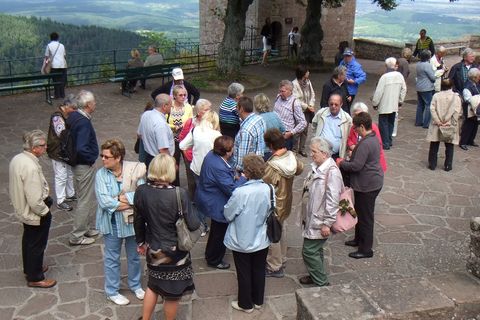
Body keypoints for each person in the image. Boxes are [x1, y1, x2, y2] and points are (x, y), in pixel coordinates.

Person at [134, 154, 200, 320]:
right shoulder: (180, 194)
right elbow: (193, 224)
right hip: (175, 253)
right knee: (172, 293)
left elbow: (138, 220)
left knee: (153, 284)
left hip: (153, 248)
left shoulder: (141, 191)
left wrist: (141, 242)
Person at [95, 139, 146, 305]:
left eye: (106, 156)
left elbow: (141, 196)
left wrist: (117, 200)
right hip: (112, 224)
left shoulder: (134, 170)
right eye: (102, 156)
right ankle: (112, 291)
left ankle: (135, 285)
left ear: (118, 158)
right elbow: (104, 203)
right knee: (112, 259)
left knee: (134, 257)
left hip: (131, 223)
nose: (102, 159)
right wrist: (127, 201)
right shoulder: (100, 175)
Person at [224, 154, 271, 313]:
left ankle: (245, 304)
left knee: (243, 272)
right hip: (262, 237)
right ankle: (258, 300)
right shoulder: (269, 189)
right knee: (258, 269)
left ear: (247, 172)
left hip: (242, 238)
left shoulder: (240, 192)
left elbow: (228, 214)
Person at [9, 130, 56, 288]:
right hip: (34, 212)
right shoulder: (31, 167)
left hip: (24, 210)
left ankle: (30, 268)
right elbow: (35, 199)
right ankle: (35, 277)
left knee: (29, 241)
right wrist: (45, 212)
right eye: (43, 145)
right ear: (34, 148)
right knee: (37, 243)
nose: (45, 148)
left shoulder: (18, 159)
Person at [195, 136, 246, 270]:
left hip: (209, 196)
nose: (234, 149)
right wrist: (243, 179)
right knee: (219, 232)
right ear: (226, 152)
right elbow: (232, 188)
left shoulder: (212, 156)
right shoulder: (219, 166)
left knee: (216, 231)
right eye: (232, 148)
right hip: (215, 202)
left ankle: (210, 254)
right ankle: (214, 259)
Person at [338, 112, 384, 259]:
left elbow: (357, 166)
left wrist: (341, 163)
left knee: (366, 218)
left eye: (356, 128)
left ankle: (366, 249)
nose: (355, 131)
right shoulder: (372, 139)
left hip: (368, 185)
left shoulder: (366, 142)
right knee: (360, 213)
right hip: (370, 182)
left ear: (362, 126)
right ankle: (358, 239)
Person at [299, 137, 342, 286]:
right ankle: (315, 274)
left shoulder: (332, 172)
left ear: (324, 153)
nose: (311, 154)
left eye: (314, 151)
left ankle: (322, 283)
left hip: (320, 220)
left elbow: (332, 200)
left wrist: (327, 223)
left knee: (309, 251)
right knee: (316, 250)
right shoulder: (318, 166)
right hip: (312, 218)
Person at [263, 128, 304, 278]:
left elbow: (264, 183)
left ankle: (274, 265)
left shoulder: (273, 166)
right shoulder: (291, 156)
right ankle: (282, 257)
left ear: (270, 145)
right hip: (286, 201)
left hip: (274, 204)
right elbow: (300, 169)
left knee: (273, 234)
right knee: (283, 229)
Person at [180, 110, 222, 234]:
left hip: (197, 168)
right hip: (211, 171)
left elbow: (182, 145)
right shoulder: (217, 135)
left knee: (201, 195)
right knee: (211, 196)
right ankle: (207, 222)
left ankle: (201, 224)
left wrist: (193, 152)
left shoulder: (195, 130)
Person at [68, 90, 100, 246]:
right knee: (84, 200)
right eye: (93, 102)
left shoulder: (74, 116)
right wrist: (91, 158)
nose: (95, 104)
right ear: (88, 105)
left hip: (77, 164)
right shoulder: (83, 122)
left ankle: (86, 228)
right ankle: (77, 235)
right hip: (83, 165)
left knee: (84, 197)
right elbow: (81, 147)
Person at [47, 94, 77, 211]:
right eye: (73, 108)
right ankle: (60, 200)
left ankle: (70, 194)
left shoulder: (65, 115)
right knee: (61, 176)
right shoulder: (57, 117)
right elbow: (62, 133)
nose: (74, 111)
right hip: (58, 151)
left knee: (69, 173)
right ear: (67, 105)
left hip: (65, 150)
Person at [178, 99, 212, 199]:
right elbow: (182, 137)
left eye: (209, 109)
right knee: (191, 181)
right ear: (198, 111)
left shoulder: (212, 122)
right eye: (206, 110)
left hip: (205, 157)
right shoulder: (190, 122)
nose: (209, 112)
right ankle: (192, 200)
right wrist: (186, 153)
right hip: (190, 157)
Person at [372, 57, 407, 150]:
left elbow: (378, 92)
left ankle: (385, 142)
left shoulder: (384, 77)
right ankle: (389, 140)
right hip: (394, 104)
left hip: (384, 104)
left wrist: (375, 103)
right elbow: (404, 89)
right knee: (391, 123)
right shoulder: (399, 76)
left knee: (383, 124)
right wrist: (400, 101)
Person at [426, 80, 462, 171]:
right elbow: (457, 112)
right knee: (449, 145)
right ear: (452, 86)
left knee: (434, 143)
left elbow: (432, 109)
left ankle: (432, 164)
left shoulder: (436, 96)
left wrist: (438, 121)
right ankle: (448, 165)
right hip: (449, 124)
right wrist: (449, 122)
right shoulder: (456, 97)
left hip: (437, 124)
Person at [137, 93, 174, 168]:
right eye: (170, 104)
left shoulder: (146, 114)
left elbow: (139, 134)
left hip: (148, 157)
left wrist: (150, 144)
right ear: (164, 106)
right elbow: (163, 150)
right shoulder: (161, 124)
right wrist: (172, 164)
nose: (172, 106)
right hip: (160, 162)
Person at [347, 102, 387, 172]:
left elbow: (378, 146)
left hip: (370, 165)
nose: (357, 118)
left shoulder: (372, 127)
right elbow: (349, 139)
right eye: (355, 115)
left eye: (360, 115)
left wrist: (355, 151)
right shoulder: (354, 126)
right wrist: (352, 146)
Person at [311, 93, 352, 159]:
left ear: (341, 104)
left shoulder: (347, 119)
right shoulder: (321, 113)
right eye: (331, 104)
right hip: (320, 152)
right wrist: (316, 137)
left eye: (336, 104)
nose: (333, 106)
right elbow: (314, 124)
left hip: (336, 155)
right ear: (328, 103)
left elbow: (350, 136)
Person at [232, 96, 266, 172]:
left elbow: (242, 156)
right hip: (258, 162)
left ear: (241, 109)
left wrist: (237, 171)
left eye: (236, 107)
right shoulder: (259, 119)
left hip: (247, 170)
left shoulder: (245, 130)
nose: (235, 109)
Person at [168, 85, 194, 186]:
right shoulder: (170, 107)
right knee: (174, 163)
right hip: (172, 139)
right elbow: (164, 121)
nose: (183, 97)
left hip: (185, 139)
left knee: (188, 163)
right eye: (180, 95)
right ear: (174, 96)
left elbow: (191, 121)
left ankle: (192, 186)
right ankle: (175, 186)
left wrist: (184, 126)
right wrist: (173, 126)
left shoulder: (188, 107)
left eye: (185, 95)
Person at [273, 80, 307, 151]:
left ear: (290, 91)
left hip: (285, 138)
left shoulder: (295, 103)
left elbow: (303, 122)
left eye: (283, 91)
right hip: (274, 134)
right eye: (280, 91)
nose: (280, 93)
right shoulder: (278, 97)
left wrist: (291, 133)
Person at [292, 65, 316, 157]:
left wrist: (311, 104)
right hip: (299, 110)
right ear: (303, 73)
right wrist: (306, 106)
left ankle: (302, 149)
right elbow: (295, 98)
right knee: (298, 130)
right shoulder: (294, 84)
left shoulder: (308, 82)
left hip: (307, 110)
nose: (309, 72)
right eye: (307, 71)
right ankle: (294, 149)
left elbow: (312, 94)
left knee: (305, 130)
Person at [254, 93, 285, 160]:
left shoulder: (257, 119)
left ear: (256, 105)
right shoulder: (275, 115)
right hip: (276, 150)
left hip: (264, 152)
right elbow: (283, 130)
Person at [459, 68, 480, 150]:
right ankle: (463, 142)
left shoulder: (476, 84)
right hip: (469, 108)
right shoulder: (467, 86)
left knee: (475, 125)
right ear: (474, 77)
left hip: (476, 108)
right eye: (478, 76)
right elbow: (468, 98)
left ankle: (470, 140)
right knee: (468, 125)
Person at [415, 50, 436, 128]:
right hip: (426, 87)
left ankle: (418, 121)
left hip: (419, 86)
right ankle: (426, 123)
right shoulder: (427, 65)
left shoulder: (418, 64)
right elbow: (432, 77)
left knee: (420, 105)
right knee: (428, 105)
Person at [45, 32, 67, 99]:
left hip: (54, 66)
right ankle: (62, 95)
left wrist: (47, 64)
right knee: (62, 80)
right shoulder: (62, 45)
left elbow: (46, 56)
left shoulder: (49, 45)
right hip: (63, 65)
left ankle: (57, 95)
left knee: (55, 81)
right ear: (58, 38)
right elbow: (64, 55)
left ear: (50, 38)